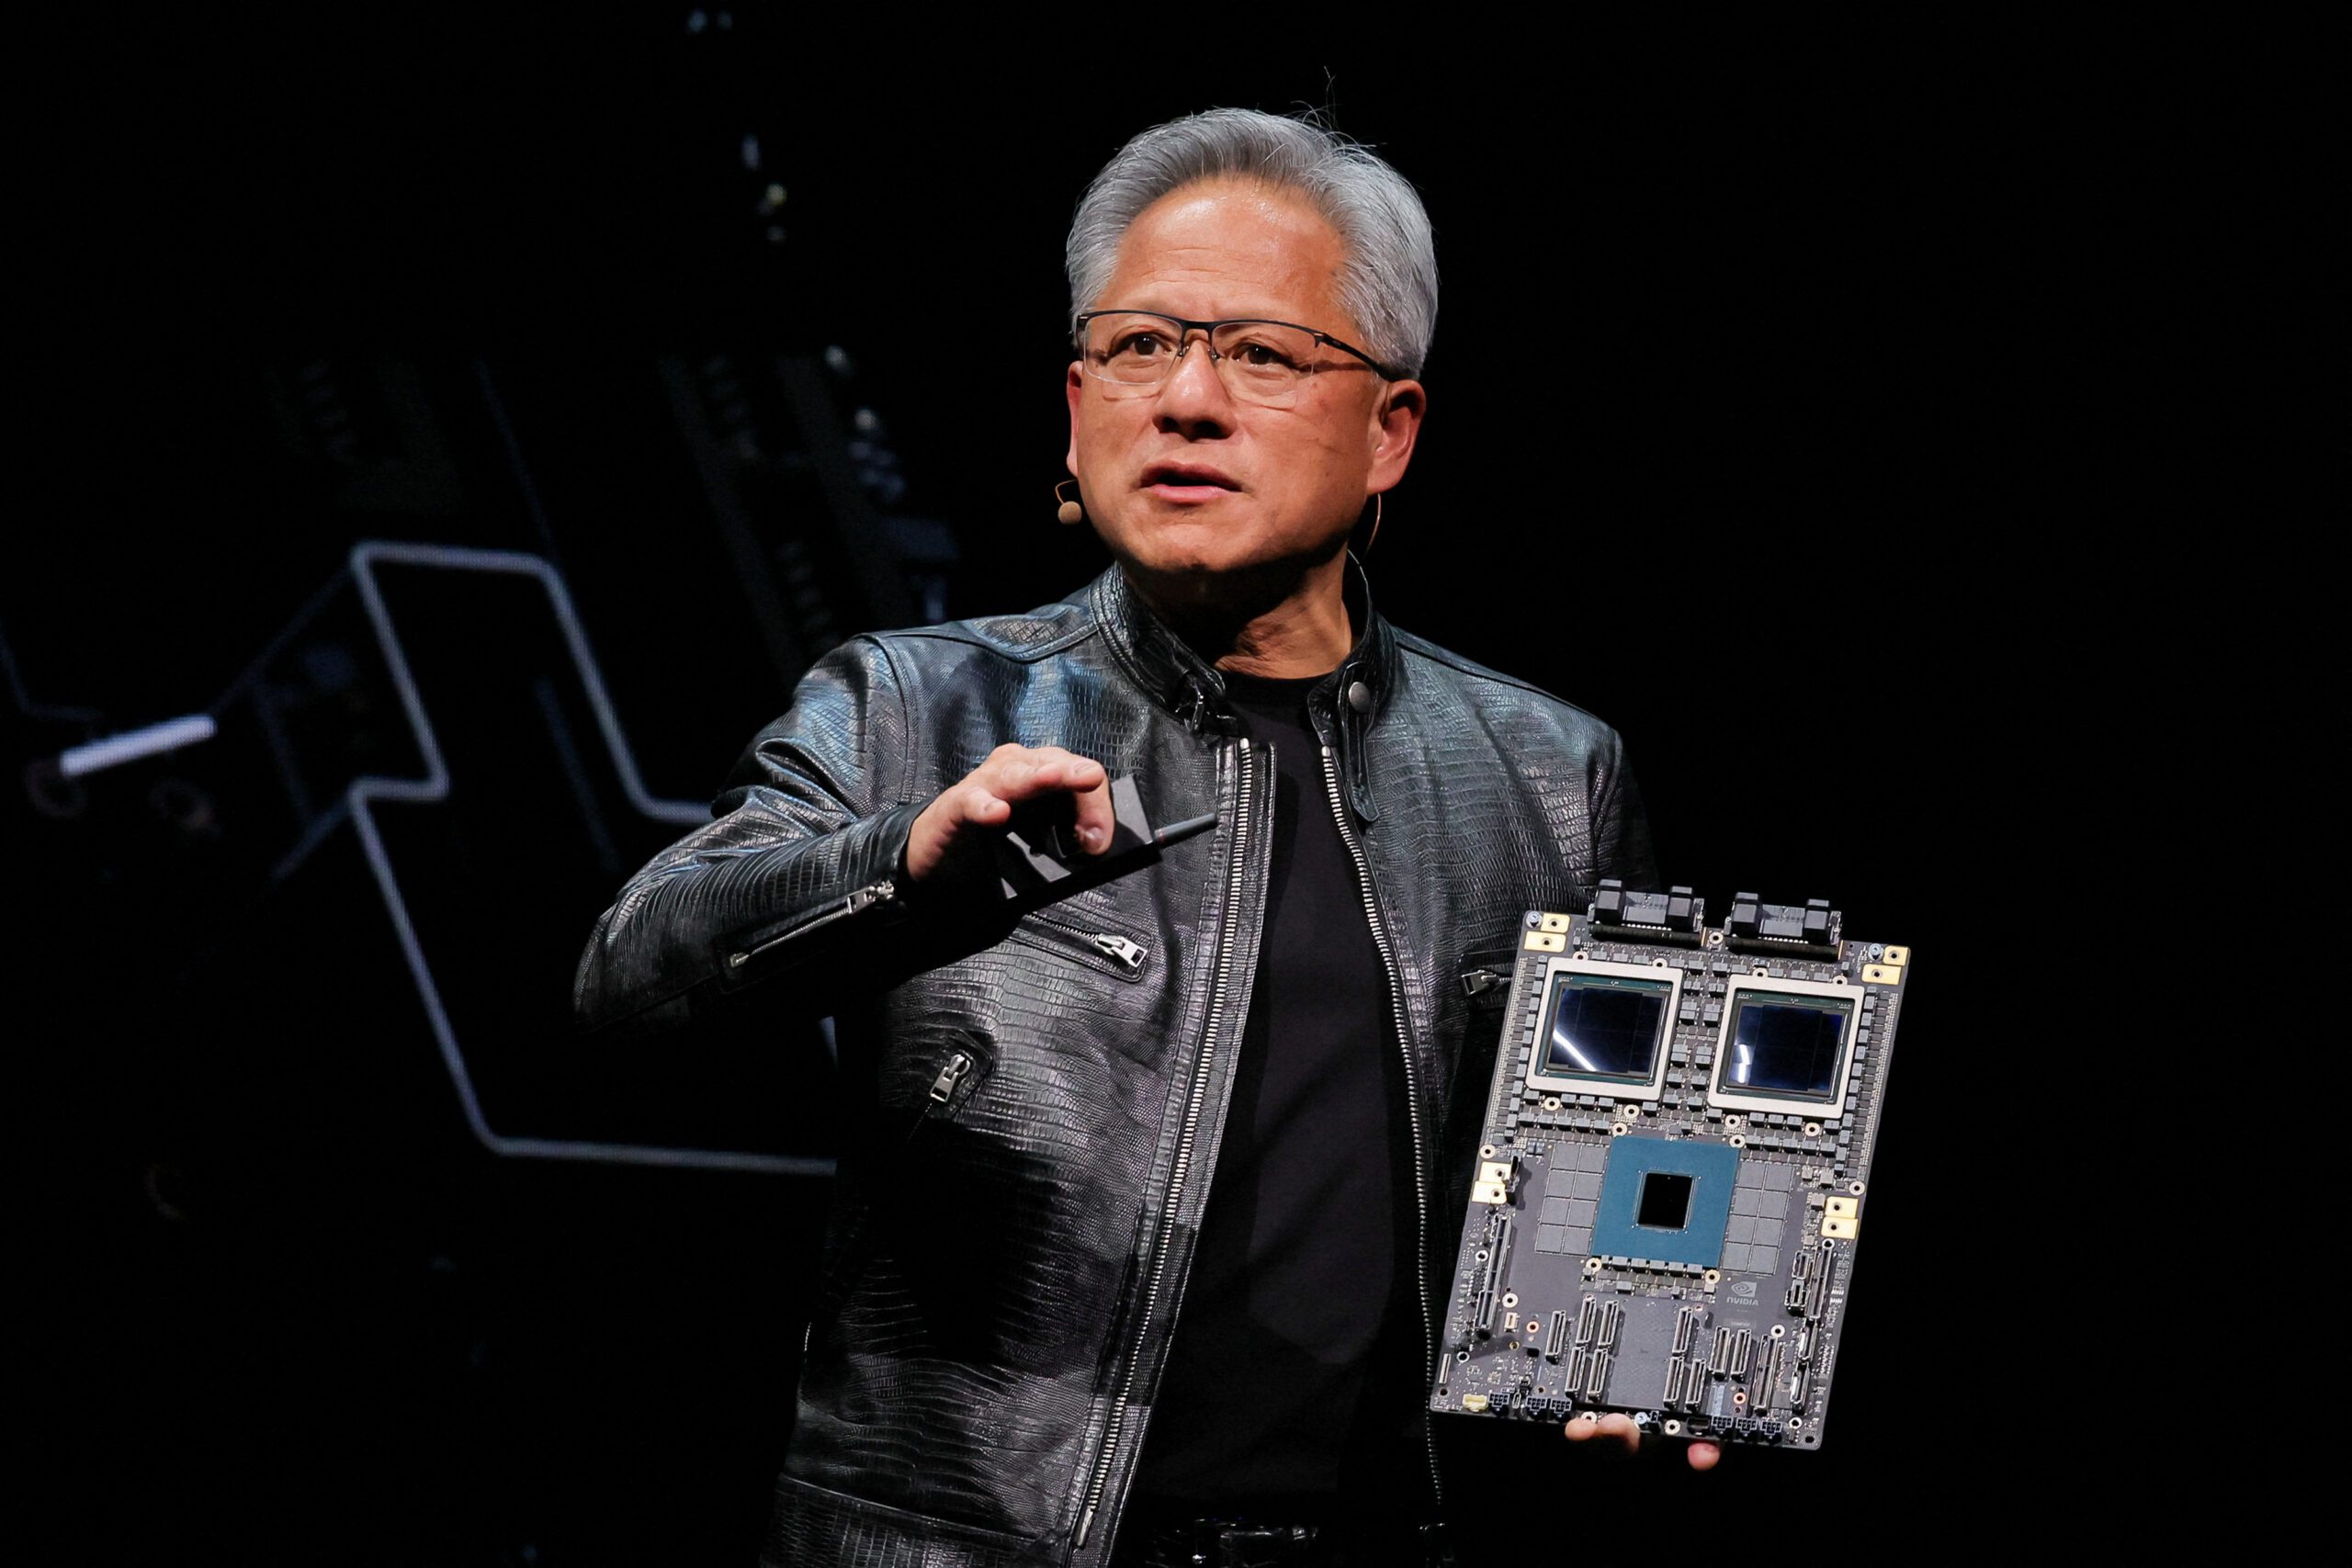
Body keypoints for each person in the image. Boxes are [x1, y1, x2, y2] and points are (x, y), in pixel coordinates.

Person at [574, 107, 1696, 1568]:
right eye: (1140, 347)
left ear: (1391, 434)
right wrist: (899, 872)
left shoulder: (1551, 774)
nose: (1186, 400)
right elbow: (629, 977)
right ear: (1075, 405)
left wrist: (1632, 1365)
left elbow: (1627, 1169)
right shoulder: (917, 705)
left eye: (1265, 355)